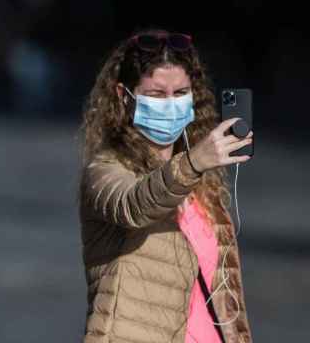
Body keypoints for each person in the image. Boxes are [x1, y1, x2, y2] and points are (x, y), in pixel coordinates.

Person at [79, 29, 253, 342]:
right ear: (124, 96)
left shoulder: (204, 188)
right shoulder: (105, 170)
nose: (170, 105)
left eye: (180, 93)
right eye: (157, 95)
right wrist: (194, 162)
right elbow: (135, 205)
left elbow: (223, 299)